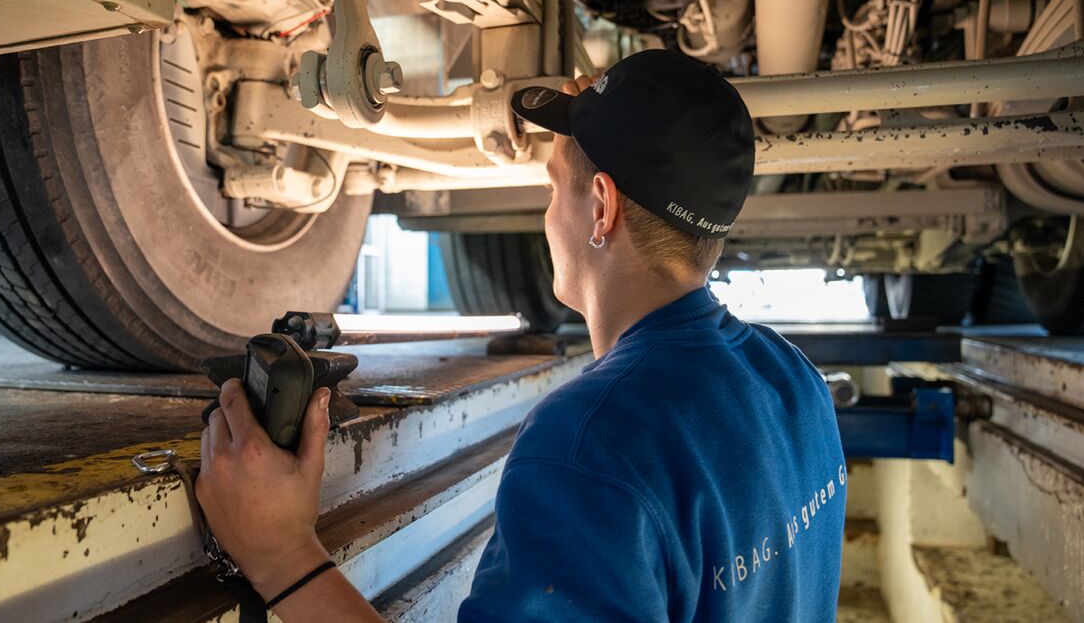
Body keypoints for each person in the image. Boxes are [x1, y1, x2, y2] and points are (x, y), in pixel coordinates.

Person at [195, 49, 847, 622]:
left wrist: (280, 554)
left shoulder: (590, 445)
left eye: (551, 186)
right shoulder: (792, 378)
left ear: (602, 206)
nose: (546, 213)